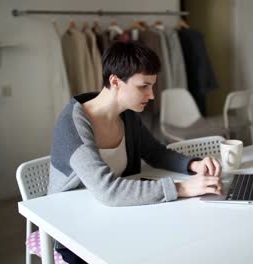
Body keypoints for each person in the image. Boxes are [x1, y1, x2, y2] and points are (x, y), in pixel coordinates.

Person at [48, 41, 223, 263]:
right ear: (115, 81)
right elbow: (108, 191)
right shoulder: (73, 125)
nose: (151, 95)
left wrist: (194, 165)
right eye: (143, 86)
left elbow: (156, 153)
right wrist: (183, 188)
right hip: (74, 231)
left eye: (153, 86)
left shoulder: (127, 115)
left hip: (118, 216)